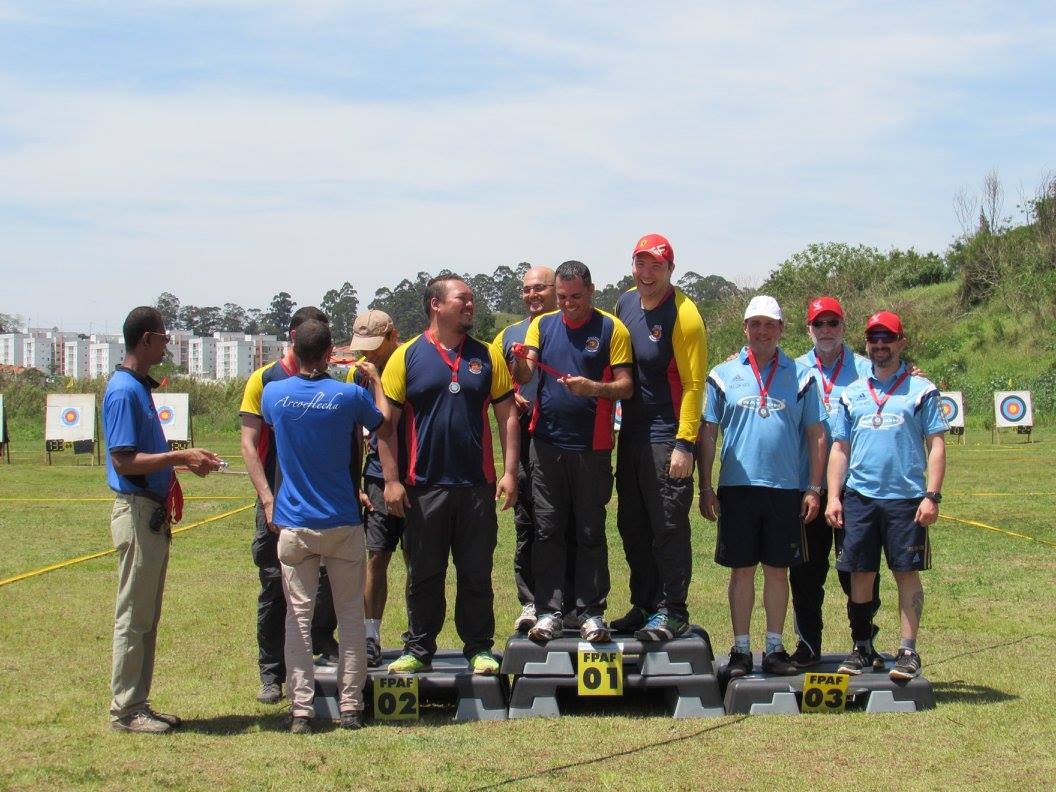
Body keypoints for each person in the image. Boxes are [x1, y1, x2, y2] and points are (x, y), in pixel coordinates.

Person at [380, 274, 519, 675]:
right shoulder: (405, 356)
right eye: (463, 299)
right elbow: (385, 426)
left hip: (476, 486)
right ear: (436, 305)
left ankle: (478, 648)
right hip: (424, 487)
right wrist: (391, 481)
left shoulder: (487, 355)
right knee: (424, 572)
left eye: (472, 299)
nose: (471, 305)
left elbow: (507, 416)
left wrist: (510, 473)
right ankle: (419, 648)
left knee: (476, 572)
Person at [262, 318, 390, 733]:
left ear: (295, 349)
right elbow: (382, 421)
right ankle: (351, 705)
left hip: (295, 524)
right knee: (350, 615)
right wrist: (375, 383)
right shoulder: (349, 394)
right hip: (341, 521)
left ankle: (301, 709)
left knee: (296, 618)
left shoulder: (274, 394)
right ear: (331, 350)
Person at [104, 306, 223, 733]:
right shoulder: (123, 390)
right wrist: (179, 456)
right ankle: (125, 710)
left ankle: (138, 702)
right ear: (146, 339)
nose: (167, 344)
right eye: (164, 337)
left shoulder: (137, 386)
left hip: (150, 513)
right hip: (136, 512)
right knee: (133, 616)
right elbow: (123, 461)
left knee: (146, 616)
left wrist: (185, 462)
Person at [697, 295, 827, 677]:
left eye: (770, 324)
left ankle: (774, 648)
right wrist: (706, 486)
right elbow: (708, 432)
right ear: (745, 328)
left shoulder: (802, 376)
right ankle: (740, 650)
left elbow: (816, 434)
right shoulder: (723, 374)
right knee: (741, 571)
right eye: (756, 324)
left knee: (777, 570)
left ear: (782, 329)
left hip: (785, 488)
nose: (763, 331)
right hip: (736, 488)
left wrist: (814, 487)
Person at [511, 260, 634, 644]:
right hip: (546, 446)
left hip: (592, 448)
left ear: (592, 290)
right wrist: (519, 360)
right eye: (562, 298)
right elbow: (526, 374)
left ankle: (591, 612)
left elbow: (626, 386)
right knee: (547, 530)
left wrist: (594, 388)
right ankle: (549, 611)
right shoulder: (543, 325)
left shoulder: (612, 328)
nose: (568, 305)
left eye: (576, 297)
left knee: (589, 530)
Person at [826, 311, 947, 680]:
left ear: (901, 342)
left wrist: (932, 496)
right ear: (867, 344)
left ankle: (908, 651)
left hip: (906, 499)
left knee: (905, 573)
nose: (880, 345)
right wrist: (834, 496)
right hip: (859, 496)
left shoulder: (922, 390)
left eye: (888, 338)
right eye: (874, 339)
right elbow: (839, 448)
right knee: (860, 573)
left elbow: (936, 444)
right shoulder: (852, 394)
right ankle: (861, 646)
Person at [239, 307, 339, 705]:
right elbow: (249, 443)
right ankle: (271, 673)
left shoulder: (331, 382)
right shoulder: (264, 379)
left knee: (329, 582)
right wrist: (267, 499)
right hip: (277, 504)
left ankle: (323, 645)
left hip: (324, 506)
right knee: (274, 587)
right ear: (293, 337)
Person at [612, 233, 708, 640]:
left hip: (666, 433)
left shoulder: (684, 314)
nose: (647, 273)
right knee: (632, 524)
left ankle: (673, 609)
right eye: (640, 263)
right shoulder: (625, 303)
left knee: (667, 524)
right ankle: (645, 603)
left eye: (656, 265)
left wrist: (685, 443)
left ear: (671, 268)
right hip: (630, 433)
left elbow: (694, 384)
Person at [788, 296, 880, 667]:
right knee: (806, 572)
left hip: (852, 485)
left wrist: (916, 373)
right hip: (807, 484)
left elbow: (895, 382)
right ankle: (808, 644)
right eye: (818, 324)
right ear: (808, 329)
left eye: (833, 324)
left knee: (856, 570)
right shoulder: (791, 370)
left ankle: (864, 642)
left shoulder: (865, 367)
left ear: (844, 327)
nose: (826, 331)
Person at [492, 265, 577, 631]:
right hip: (524, 439)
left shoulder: (569, 326)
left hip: (565, 438)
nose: (532, 296)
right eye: (527, 290)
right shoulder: (507, 335)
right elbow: (491, 383)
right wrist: (512, 393)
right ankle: (530, 602)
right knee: (527, 522)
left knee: (567, 522)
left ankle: (570, 603)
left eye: (540, 288)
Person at [344, 310, 406, 668]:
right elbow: (354, 431)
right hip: (376, 476)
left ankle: (417, 635)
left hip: (413, 475)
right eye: (362, 348)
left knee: (419, 558)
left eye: (374, 347)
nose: (368, 356)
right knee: (377, 555)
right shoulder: (358, 375)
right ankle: (370, 635)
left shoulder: (411, 361)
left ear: (392, 335)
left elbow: (388, 425)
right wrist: (356, 482)